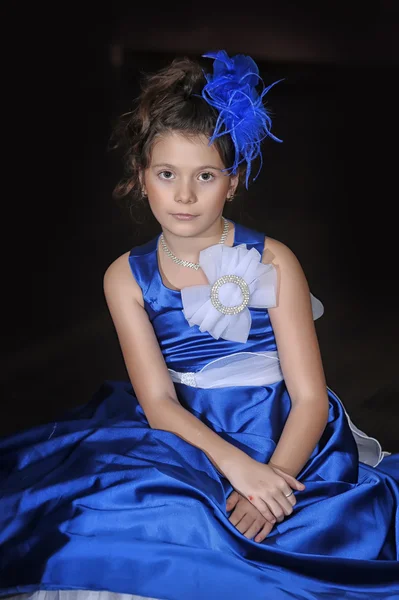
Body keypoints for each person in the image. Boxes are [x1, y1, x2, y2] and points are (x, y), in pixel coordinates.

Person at [1, 50, 398, 600]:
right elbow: (160, 402)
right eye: (167, 175)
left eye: (205, 176)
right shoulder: (125, 277)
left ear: (231, 183)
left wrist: (269, 482)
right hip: (182, 431)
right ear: (143, 179)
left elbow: (309, 398)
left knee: (298, 531)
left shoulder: (275, 260)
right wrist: (237, 469)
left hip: (283, 431)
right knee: (132, 511)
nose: (184, 196)